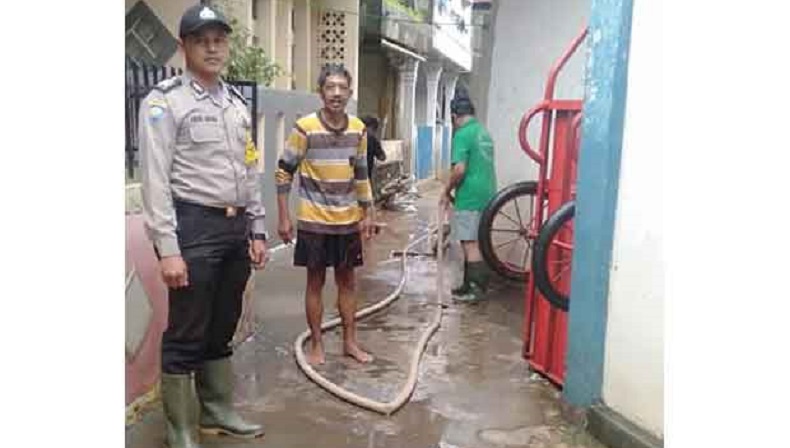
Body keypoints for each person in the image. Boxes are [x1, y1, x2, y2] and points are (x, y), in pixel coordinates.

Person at [138, 4, 266, 447]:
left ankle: (216, 411)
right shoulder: (165, 101)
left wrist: (258, 228)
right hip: (192, 226)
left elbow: (250, 170)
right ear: (184, 46)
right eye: (201, 40)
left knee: (222, 322)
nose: (212, 48)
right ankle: (180, 429)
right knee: (187, 327)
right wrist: (168, 248)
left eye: (219, 40)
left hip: (234, 230)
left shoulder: (235, 103)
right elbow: (154, 178)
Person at [276, 64, 376, 366]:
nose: (336, 93)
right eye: (330, 87)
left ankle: (349, 342)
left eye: (342, 87)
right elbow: (284, 171)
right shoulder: (305, 127)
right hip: (314, 222)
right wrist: (283, 216)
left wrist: (367, 212)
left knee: (348, 282)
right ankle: (317, 344)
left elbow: (361, 174)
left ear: (350, 92)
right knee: (315, 282)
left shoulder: (358, 129)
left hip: (347, 222)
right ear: (321, 92)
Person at [440, 94, 497, 302]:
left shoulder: (462, 134)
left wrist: (446, 190)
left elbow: (460, 169)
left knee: (469, 242)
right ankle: (467, 284)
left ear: (454, 116)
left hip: (470, 195)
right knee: (475, 240)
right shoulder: (483, 132)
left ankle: (476, 289)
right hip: (488, 193)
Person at [361, 115, 387, 198]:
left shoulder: (354, 137)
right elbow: (382, 157)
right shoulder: (373, 139)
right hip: (365, 175)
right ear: (372, 127)